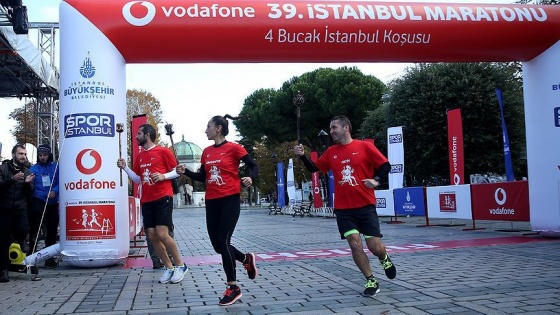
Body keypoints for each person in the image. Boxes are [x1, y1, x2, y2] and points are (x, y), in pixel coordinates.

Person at [294, 115, 396, 296]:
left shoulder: (364, 146)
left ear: (346, 128)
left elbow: (385, 165)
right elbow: (314, 168)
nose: (331, 131)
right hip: (343, 209)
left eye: (334, 127)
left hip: (365, 205)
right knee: (355, 245)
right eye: (330, 128)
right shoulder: (331, 152)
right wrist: (302, 156)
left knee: (374, 246)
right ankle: (371, 280)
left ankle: (384, 257)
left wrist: (376, 180)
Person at [176, 114, 259, 306]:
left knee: (223, 240)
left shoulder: (234, 148)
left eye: (208, 126)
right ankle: (245, 258)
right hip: (212, 201)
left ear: (218, 128)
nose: (206, 130)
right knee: (217, 245)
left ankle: (233, 287)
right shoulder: (206, 152)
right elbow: (202, 177)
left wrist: (250, 178)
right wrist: (185, 171)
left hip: (229, 199)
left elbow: (254, 166)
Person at [117, 124, 188, 284]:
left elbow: (177, 170)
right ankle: (168, 268)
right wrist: (125, 168)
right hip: (147, 200)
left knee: (162, 233)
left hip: (163, 197)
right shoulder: (140, 156)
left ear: (147, 135)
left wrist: (163, 176)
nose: (136, 137)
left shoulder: (163, 151)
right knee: (151, 235)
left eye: (139, 133)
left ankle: (180, 265)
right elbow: (138, 179)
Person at [0, 144, 35, 282]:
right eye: (21, 154)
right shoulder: (3, 169)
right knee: (2, 241)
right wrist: (12, 179)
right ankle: (3, 270)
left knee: (22, 228)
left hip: (20, 207)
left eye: (25, 154)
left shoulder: (26, 172)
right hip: (4, 208)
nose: (23, 157)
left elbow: (30, 193)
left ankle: (21, 239)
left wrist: (27, 184)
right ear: (14, 154)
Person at [28, 144, 59, 267]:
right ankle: (31, 254)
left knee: (51, 230)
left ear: (49, 155)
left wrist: (55, 191)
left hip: (52, 202)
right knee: (35, 227)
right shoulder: (34, 169)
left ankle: (49, 258)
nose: (42, 157)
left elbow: (61, 181)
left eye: (45, 155)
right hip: (39, 200)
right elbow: (31, 186)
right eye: (40, 155)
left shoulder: (56, 167)